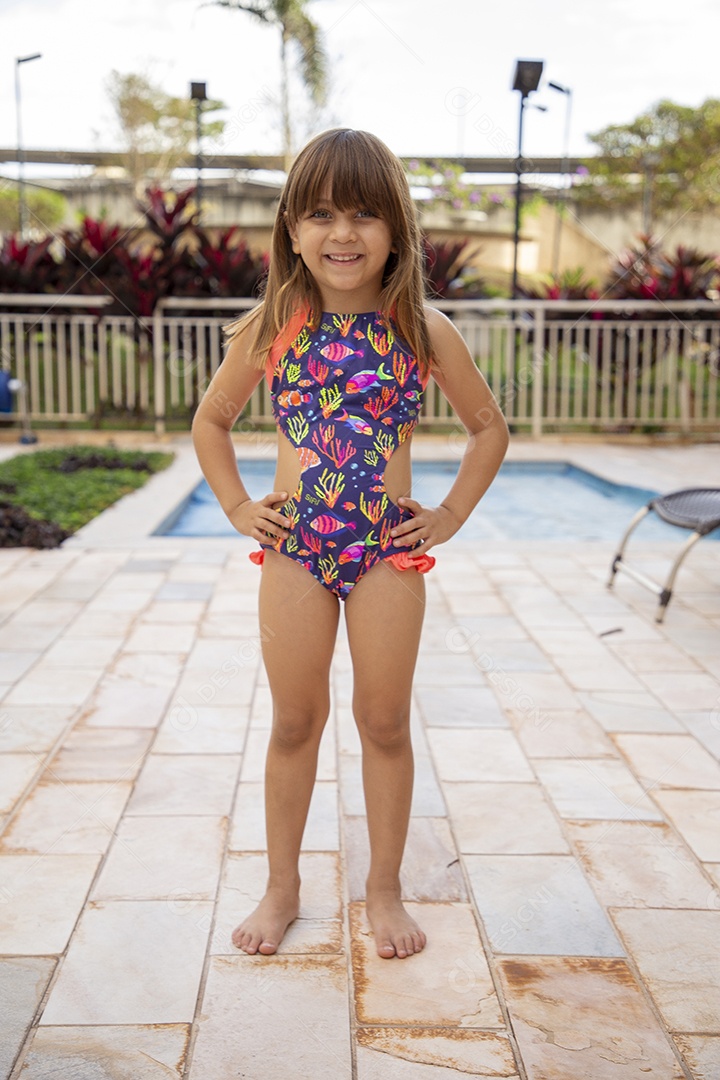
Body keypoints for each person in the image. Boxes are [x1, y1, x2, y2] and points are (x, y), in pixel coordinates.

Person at [192, 128, 509, 960]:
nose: (344, 233)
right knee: (295, 721)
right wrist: (234, 505)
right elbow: (212, 421)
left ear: (396, 230)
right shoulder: (274, 327)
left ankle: (384, 888)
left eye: (366, 214)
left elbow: (488, 430)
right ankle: (282, 885)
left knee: (384, 720)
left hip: (386, 556)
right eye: (324, 213)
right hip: (297, 548)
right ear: (292, 228)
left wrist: (446, 516)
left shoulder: (421, 327)